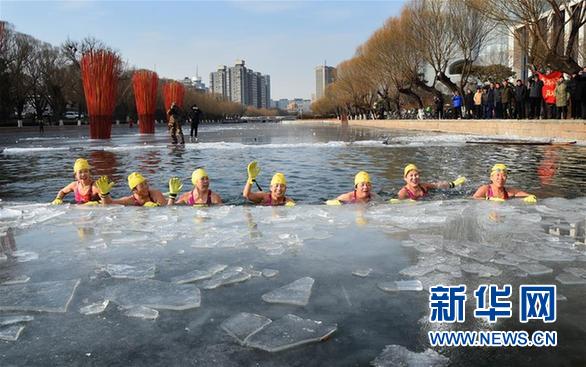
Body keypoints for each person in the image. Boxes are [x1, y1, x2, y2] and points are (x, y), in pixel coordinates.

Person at [396, 164, 466, 201]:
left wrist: (453, 184)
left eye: (416, 175)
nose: (414, 178)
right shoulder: (403, 193)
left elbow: (438, 185)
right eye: (411, 175)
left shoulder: (423, 186)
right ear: (405, 178)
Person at [472, 163, 537, 203]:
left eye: (504, 175)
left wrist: (531, 197)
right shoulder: (485, 189)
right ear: (491, 177)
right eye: (497, 175)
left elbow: (527, 195)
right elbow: (475, 198)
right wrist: (489, 199)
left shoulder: (509, 191)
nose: (500, 178)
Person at [96, 172, 167, 207]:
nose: (146, 187)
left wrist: (157, 206)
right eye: (142, 185)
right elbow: (109, 203)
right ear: (134, 190)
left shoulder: (155, 194)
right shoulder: (130, 200)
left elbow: (167, 208)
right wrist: (104, 194)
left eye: (146, 183)